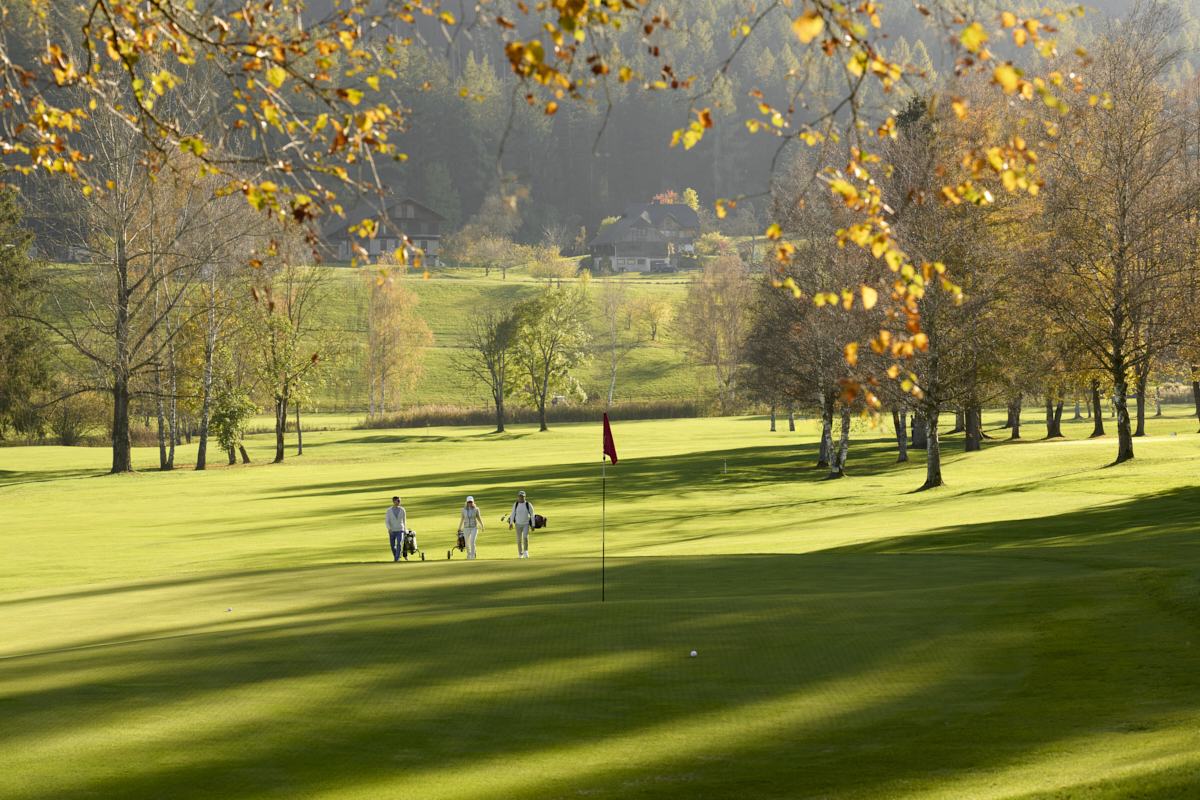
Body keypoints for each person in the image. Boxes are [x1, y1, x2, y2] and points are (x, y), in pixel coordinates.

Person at [509, 490, 534, 559]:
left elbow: (532, 514)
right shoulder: (516, 504)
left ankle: (525, 550)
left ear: (525, 497)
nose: (521, 498)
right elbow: (513, 513)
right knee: (519, 539)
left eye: (522, 496)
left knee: (525, 537)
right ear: (518, 497)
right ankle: (520, 553)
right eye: (520, 496)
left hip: (526, 523)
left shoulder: (528, 504)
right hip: (518, 524)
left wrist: (533, 524)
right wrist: (511, 523)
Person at [386, 496, 407, 562]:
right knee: (392, 546)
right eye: (398, 501)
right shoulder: (389, 511)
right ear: (394, 501)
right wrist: (389, 529)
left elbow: (404, 521)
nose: (399, 502)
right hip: (392, 531)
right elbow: (387, 521)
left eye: (400, 500)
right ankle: (396, 555)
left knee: (399, 544)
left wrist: (405, 529)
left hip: (400, 530)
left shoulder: (402, 510)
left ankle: (396, 559)